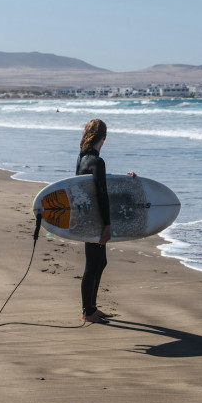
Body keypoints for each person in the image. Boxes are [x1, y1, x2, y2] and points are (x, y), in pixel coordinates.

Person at [76, 118, 134, 324]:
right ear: (104, 138)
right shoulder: (97, 161)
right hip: (97, 220)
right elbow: (101, 193)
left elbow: (92, 186)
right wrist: (107, 225)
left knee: (99, 262)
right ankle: (87, 312)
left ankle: (91, 308)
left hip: (87, 218)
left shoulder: (82, 159)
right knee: (93, 264)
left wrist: (127, 180)